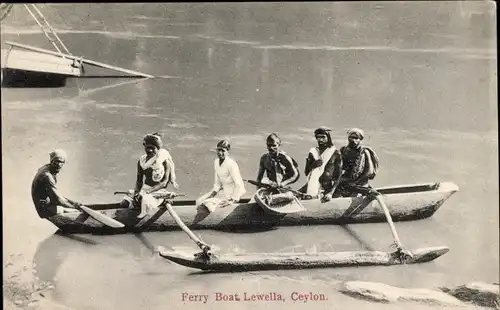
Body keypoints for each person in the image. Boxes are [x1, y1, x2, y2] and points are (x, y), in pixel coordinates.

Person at [122, 133, 179, 218]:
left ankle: (163, 201)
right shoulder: (141, 161)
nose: (150, 150)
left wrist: (147, 192)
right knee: (124, 203)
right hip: (144, 190)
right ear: (144, 146)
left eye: (153, 148)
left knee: (145, 200)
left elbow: (163, 183)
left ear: (158, 148)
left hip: (159, 192)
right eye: (148, 147)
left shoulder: (165, 162)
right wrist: (137, 193)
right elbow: (139, 181)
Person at [196, 140, 246, 212]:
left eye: (223, 150)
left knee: (208, 204)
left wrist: (232, 200)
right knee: (199, 201)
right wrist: (211, 195)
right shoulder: (216, 162)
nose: (220, 153)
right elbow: (217, 183)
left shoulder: (232, 164)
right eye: (218, 150)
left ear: (227, 152)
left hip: (232, 194)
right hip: (222, 193)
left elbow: (239, 184)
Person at [31, 149, 81, 219]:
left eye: (62, 162)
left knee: (72, 206)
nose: (59, 165)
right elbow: (57, 199)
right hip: (44, 210)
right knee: (76, 211)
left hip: (47, 204)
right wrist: (73, 207)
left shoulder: (48, 168)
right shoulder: (47, 176)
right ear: (52, 161)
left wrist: (73, 202)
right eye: (57, 161)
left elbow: (56, 195)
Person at [333, 128, 379, 197]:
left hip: (360, 183)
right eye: (351, 137)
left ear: (360, 139)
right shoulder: (344, 150)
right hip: (346, 181)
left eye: (356, 138)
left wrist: (355, 182)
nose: (353, 140)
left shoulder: (364, 151)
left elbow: (369, 171)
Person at [300, 126, 343, 200]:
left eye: (323, 137)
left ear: (328, 138)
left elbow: (339, 176)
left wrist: (330, 193)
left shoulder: (335, 153)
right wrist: (313, 165)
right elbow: (306, 172)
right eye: (318, 137)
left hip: (327, 189)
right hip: (312, 186)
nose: (320, 139)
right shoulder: (313, 152)